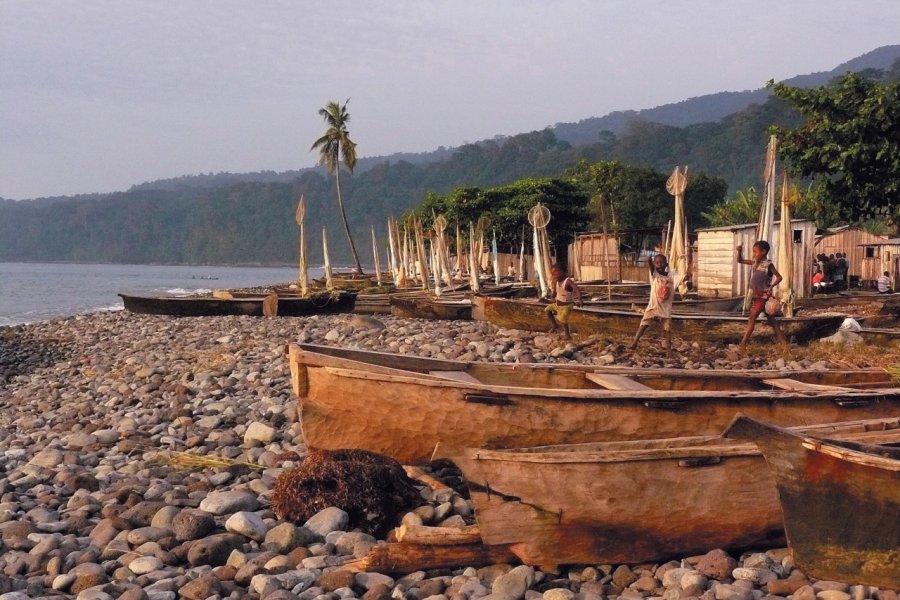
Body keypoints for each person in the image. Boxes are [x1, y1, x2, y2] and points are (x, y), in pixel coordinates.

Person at [736, 240, 787, 352]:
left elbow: (779, 277)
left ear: (763, 252)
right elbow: (739, 260)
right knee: (773, 322)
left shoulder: (768, 264)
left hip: (763, 297)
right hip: (757, 296)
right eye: (753, 252)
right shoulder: (754, 262)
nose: (754, 254)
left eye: (756, 252)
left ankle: (743, 344)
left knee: (752, 317)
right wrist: (739, 251)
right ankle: (784, 344)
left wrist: (771, 286)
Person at [629, 254, 680, 355]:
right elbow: (652, 269)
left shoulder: (672, 276)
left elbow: (682, 279)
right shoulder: (654, 275)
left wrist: (687, 278)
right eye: (657, 263)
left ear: (666, 264)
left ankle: (668, 350)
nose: (659, 265)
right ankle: (634, 342)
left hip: (666, 308)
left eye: (661, 262)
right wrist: (649, 262)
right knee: (644, 324)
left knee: (667, 329)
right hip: (654, 306)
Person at [545, 263, 583, 340]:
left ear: (562, 272)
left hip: (566, 306)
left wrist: (579, 299)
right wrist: (552, 297)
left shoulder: (567, 281)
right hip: (557, 304)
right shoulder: (556, 282)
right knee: (547, 310)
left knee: (562, 320)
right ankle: (554, 325)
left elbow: (576, 289)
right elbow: (555, 292)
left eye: (555, 273)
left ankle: (567, 335)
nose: (553, 276)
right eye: (552, 274)